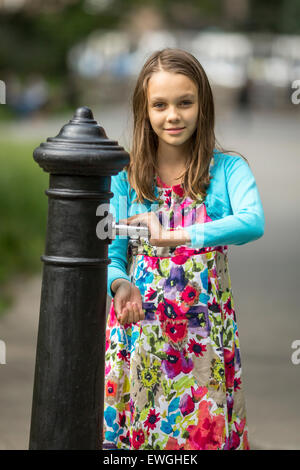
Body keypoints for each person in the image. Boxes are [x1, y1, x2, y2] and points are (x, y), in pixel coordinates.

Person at [103, 48, 264, 450]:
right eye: (160, 105)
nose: (172, 115)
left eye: (184, 102)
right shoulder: (126, 179)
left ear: (202, 105)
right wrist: (120, 285)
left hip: (203, 339)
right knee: (138, 437)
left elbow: (252, 221)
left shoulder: (227, 170)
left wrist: (178, 235)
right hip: (140, 331)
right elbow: (110, 252)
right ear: (144, 110)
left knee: (199, 435)